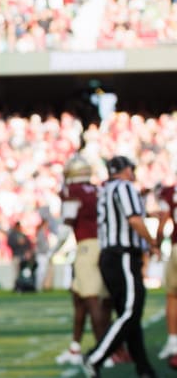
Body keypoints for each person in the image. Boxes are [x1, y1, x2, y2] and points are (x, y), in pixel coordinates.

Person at [83, 156, 159, 378]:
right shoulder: (124, 187)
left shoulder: (105, 189)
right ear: (126, 170)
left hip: (110, 256)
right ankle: (95, 356)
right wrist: (152, 243)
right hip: (123, 256)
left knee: (130, 316)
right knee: (130, 311)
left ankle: (144, 369)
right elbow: (134, 220)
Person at [53, 155, 110, 366]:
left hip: (87, 246)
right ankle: (75, 348)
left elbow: (68, 223)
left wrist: (53, 251)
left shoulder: (73, 192)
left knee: (92, 298)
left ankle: (104, 351)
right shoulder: (96, 190)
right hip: (102, 245)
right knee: (79, 299)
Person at [155, 182, 177, 361]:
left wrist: (156, 243)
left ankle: (173, 341)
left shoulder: (170, 191)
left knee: (172, 296)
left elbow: (163, 221)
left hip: (176, 249)